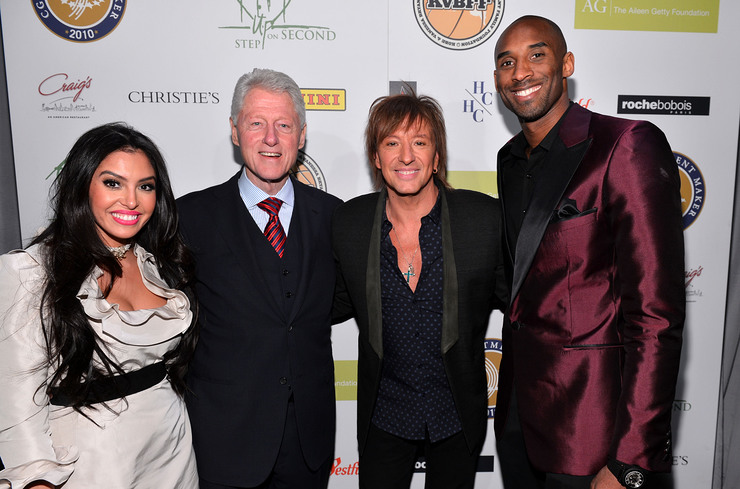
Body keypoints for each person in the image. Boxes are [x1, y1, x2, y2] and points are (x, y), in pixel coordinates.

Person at [492, 15, 685, 489]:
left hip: (592, 431)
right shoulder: (509, 160)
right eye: (506, 62)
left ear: (566, 64)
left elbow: (655, 315)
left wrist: (630, 458)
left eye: (536, 55)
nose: (520, 72)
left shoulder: (625, 145)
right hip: (519, 425)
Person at [0, 123, 199, 488]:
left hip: (171, 446)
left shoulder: (160, 263)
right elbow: (17, 400)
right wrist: (36, 479)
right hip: (92, 459)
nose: (131, 200)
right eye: (112, 183)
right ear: (81, 186)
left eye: (146, 186)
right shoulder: (33, 271)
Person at [332, 91, 507, 489]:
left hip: (457, 414)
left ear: (437, 156)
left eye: (419, 142)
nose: (406, 156)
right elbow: (327, 301)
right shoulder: (349, 224)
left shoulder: (483, 220)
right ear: (376, 158)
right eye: (391, 143)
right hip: (385, 413)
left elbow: (526, 300)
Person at [178, 68, 342, 489]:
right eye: (256, 124)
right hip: (224, 439)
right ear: (235, 131)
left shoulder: (335, 216)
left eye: (283, 125)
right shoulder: (188, 219)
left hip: (308, 441)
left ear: (301, 136)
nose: (271, 138)